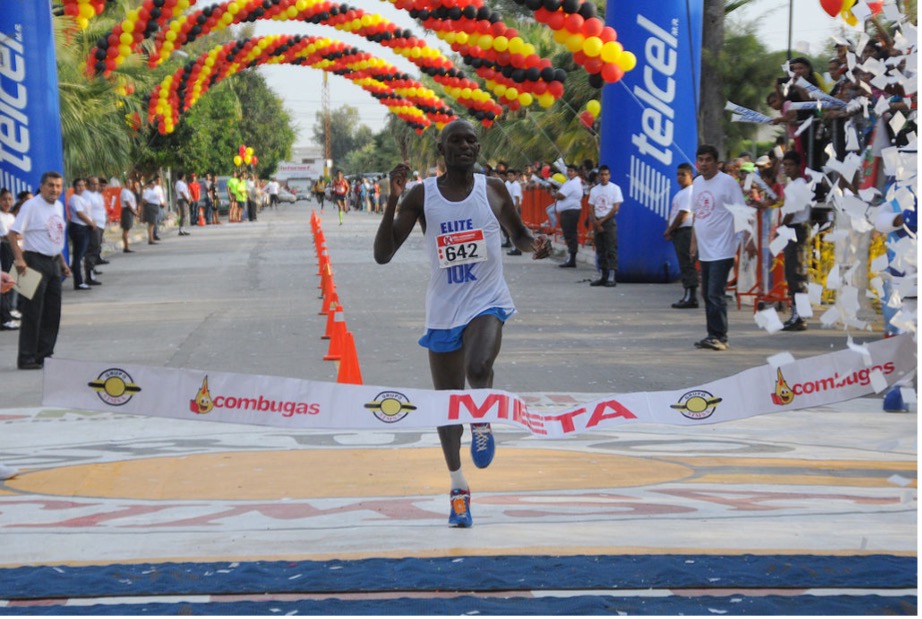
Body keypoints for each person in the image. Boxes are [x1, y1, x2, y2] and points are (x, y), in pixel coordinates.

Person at [374, 120, 552, 528]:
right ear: (442, 148)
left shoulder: (494, 190)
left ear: (478, 147)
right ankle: (458, 488)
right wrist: (392, 201)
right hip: (443, 311)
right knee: (447, 406)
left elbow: (520, 235)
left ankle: (483, 420)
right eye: (456, 140)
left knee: (479, 367)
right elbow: (383, 255)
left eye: (472, 140)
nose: (466, 146)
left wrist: (535, 245)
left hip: (487, 300)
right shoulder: (423, 195)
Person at [8, 171, 71, 370]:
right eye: (51, 185)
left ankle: (45, 354)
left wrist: (61, 262)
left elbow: (55, 235)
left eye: (58, 186)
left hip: (53, 262)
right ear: (42, 186)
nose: (55, 190)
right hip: (34, 262)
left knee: (53, 312)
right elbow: (12, 234)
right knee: (33, 312)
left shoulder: (59, 206)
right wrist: (19, 258)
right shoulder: (31, 205)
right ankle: (26, 357)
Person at [690, 145, 745, 351]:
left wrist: (742, 244)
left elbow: (741, 213)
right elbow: (697, 214)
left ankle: (721, 336)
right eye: (700, 159)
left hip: (723, 248)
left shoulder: (728, 183)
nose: (704, 164)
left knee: (715, 292)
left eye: (708, 160)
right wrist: (693, 243)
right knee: (706, 293)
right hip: (704, 249)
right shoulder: (696, 183)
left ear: (716, 162)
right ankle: (712, 334)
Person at [778, 151, 812, 331]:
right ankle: (798, 314)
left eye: (790, 165)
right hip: (795, 229)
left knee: (796, 274)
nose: (787, 169)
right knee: (792, 274)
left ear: (799, 166)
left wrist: (781, 229)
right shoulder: (794, 185)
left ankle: (800, 316)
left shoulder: (798, 185)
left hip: (796, 229)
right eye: (785, 165)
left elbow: (791, 212)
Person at [664, 163, 697, 307]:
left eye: (683, 174)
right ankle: (687, 294)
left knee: (687, 264)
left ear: (690, 175)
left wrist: (670, 229)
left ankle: (691, 296)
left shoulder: (690, 192)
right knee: (683, 264)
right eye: (678, 174)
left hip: (686, 231)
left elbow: (683, 214)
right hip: (679, 231)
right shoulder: (680, 193)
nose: (680, 177)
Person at [586, 164, 622, 286]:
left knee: (611, 249)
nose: (604, 177)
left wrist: (602, 221)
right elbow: (591, 207)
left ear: (609, 175)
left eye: (606, 174)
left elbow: (615, 207)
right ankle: (603, 275)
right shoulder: (595, 190)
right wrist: (595, 221)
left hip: (608, 221)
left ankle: (612, 276)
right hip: (597, 220)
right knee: (600, 250)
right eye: (602, 174)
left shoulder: (615, 189)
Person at [549, 164, 584, 268]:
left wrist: (555, 194)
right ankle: (571, 257)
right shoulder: (571, 182)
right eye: (568, 171)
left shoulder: (573, 183)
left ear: (576, 172)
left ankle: (572, 258)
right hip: (568, 211)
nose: (569, 173)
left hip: (570, 211)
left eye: (572, 171)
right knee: (569, 234)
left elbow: (561, 195)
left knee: (570, 235)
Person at [67, 178, 96, 290]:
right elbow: (80, 214)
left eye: (83, 185)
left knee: (82, 255)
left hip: (85, 228)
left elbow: (88, 213)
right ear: (74, 187)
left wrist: (92, 222)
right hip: (79, 228)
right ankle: (78, 282)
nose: (81, 188)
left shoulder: (82, 198)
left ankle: (82, 279)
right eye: (78, 185)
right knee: (78, 256)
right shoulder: (74, 199)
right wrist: (91, 223)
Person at [0, 189, 19, 329]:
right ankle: (5, 318)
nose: (7, 202)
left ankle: (9, 310)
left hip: (13, 251)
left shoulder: (11, 217)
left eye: (10, 199)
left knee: (12, 283)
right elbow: (7, 236)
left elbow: (16, 235)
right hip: (4, 251)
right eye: (4, 199)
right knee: (4, 284)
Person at [83, 177, 106, 284]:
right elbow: (87, 210)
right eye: (93, 184)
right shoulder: (86, 195)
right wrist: (91, 222)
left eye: (97, 184)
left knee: (97, 248)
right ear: (87, 184)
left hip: (101, 224)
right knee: (93, 248)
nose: (95, 186)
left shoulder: (98, 195)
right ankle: (89, 275)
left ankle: (93, 270)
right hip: (94, 225)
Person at [504, 169, 524, 255]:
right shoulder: (508, 184)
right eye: (508, 176)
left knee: (514, 230)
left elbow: (517, 199)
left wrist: (514, 210)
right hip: (509, 208)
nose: (509, 177)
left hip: (514, 208)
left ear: (515, 176)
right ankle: (514, 247)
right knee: (511, 230)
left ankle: (517, 248)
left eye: (511, 175)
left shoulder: (516, 185)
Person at [120, 174, 140, 253]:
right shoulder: (124, 191)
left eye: (130, 183)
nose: (129, 184)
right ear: (124, 184)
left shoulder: (129, 192)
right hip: (127, 210)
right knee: (126, 229)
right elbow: (127, 203)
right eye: (128, 183)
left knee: (127, 229)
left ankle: (127, 246)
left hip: (130, 210)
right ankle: (126, 247)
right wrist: (134, 211)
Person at [141, 176, 162, 245]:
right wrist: (149, 204)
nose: (153, 185)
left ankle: (151, 238)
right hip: (151, 207)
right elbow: (144, 200)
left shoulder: (153, 191)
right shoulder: (148, 191)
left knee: (153, 224)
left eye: (154, 184)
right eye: (152, 184)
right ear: (149, 185)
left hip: (155, 207)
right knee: (151, 224)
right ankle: (151, 239)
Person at [175, 171, 192, 236]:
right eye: (184, 176)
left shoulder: (183, 183)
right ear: (182, 176)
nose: (185, 177)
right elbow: (182, 193)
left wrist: (189, 198)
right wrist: (187, 199)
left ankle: (183, 229)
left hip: (185, 200)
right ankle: (181, 230)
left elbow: (186, 192)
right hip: (182, 200)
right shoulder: (179, 183)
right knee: (183, 214)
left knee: (185, 215)